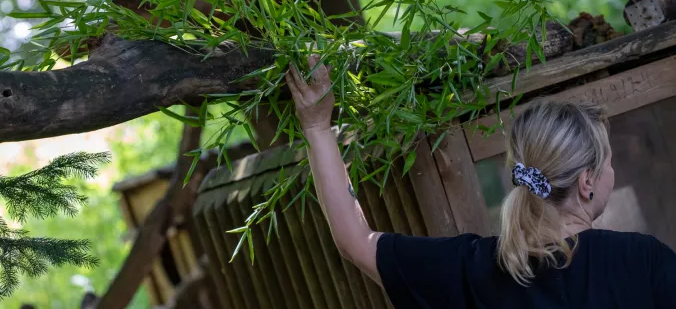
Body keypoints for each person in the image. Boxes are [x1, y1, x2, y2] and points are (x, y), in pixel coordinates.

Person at [285, 54, 676, 308]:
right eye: (608, 161)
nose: (613, 171)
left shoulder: (472, 268)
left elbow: (357, 241)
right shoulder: (642, 261)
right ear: (587, 181)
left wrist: (317, 127)